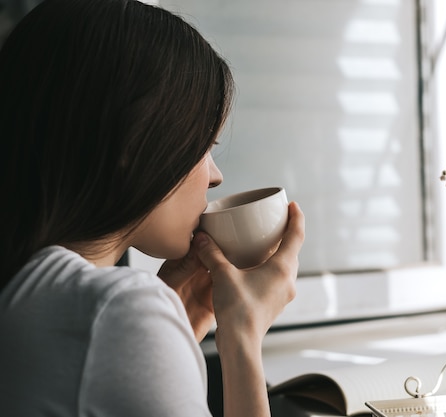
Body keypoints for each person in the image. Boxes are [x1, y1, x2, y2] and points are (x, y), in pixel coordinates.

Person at [0, 0, 305, 416]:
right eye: (203, 147)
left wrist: (182, 322)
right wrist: (243, 334)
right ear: (134, 143)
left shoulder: (28, 289)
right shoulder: (118, 314)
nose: (214, 176)